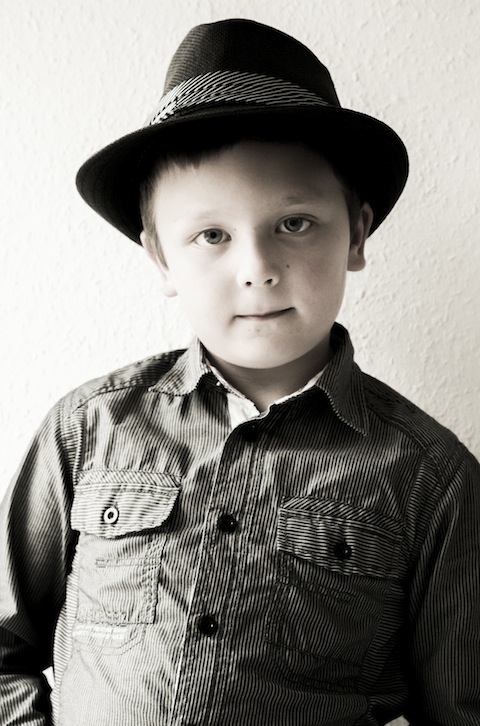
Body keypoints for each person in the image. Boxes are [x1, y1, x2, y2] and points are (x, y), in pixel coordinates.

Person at [0, 18, 479, 726]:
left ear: (357, 233)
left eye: (294, 223)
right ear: (162, 258)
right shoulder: (88, 429)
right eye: (211, 235)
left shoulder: (431, 478)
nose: (256, 269)